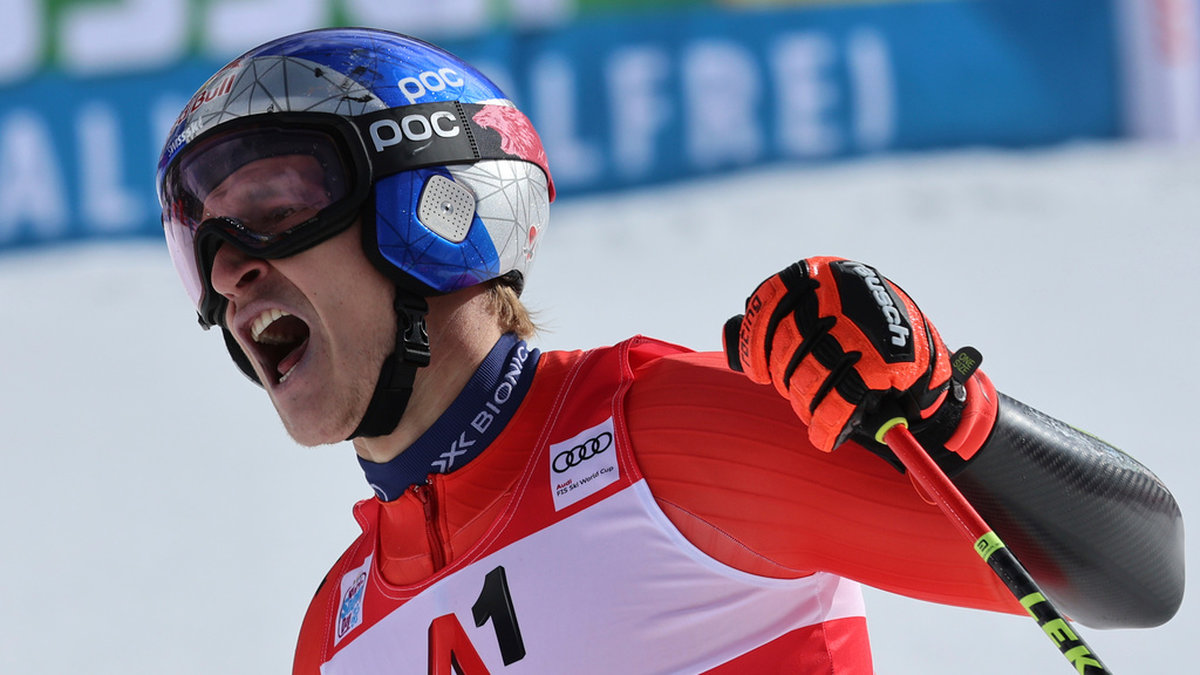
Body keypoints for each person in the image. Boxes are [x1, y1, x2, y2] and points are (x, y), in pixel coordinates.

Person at [156, 27, 1183, 674]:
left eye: (272, 209)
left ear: (431, 206)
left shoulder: (661, 440)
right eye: (199, 240)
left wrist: (954, 415)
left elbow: (1139, 575)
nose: (229, 268)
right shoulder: (334, 638)